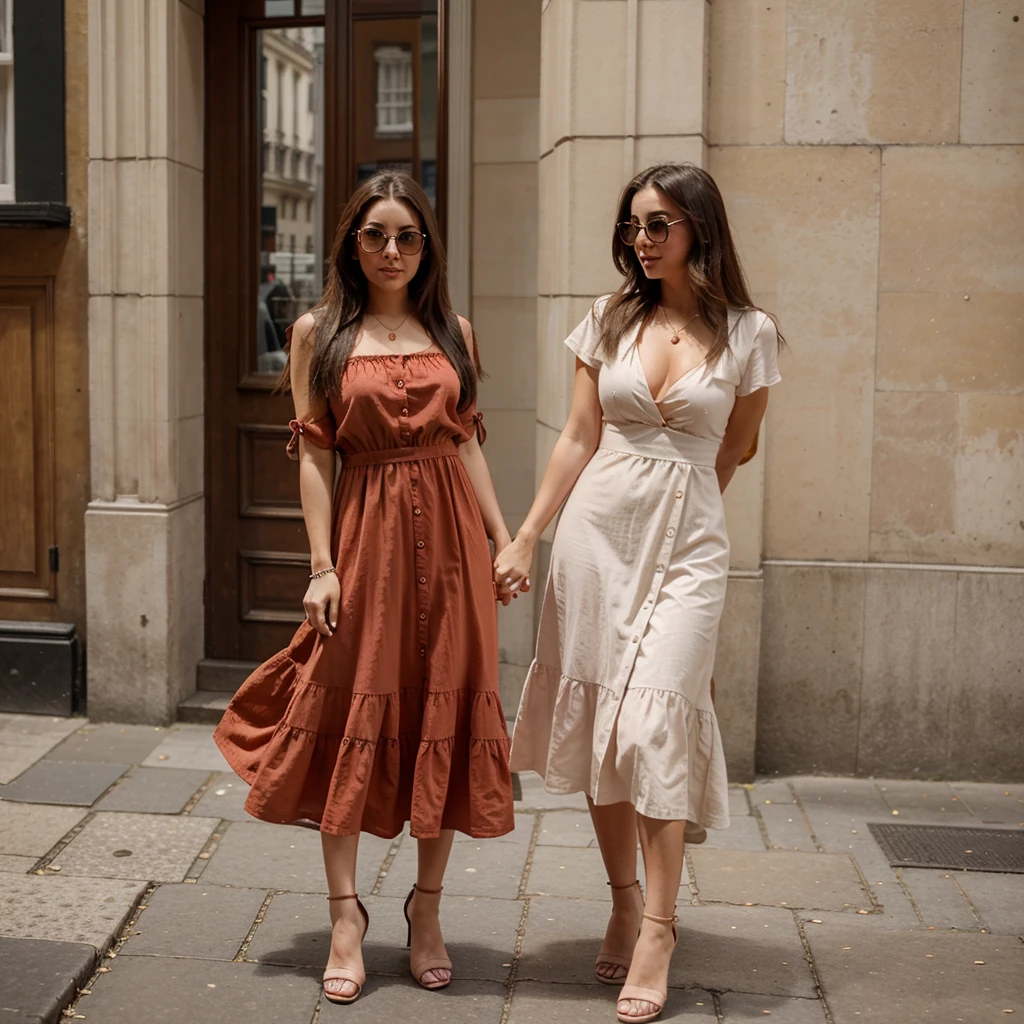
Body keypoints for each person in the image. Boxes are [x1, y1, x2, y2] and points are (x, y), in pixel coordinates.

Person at [214, 170, 516, 1005]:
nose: (392, 251)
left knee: (443, 708)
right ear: (352, 242)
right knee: (350, 705)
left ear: (427, 247)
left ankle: (426, 910)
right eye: (376, 235)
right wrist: (321, 565)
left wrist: (505, 540)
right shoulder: (319, 332)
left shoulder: (454, 330)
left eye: (407, 236)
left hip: (453, 546)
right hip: (367, 539)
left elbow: (466, 445)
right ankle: (346, 916)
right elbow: (315, 454)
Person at [496, 162, 784, 1024]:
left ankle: (658, 927)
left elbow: (738, 447)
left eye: (658, 224)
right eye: (633, 227)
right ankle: (625, 898)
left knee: (655, 716)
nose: (642, 241)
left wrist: (687, 508)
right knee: (602, 727)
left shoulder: (751, 333)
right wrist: (526, 535)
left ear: (700, 226)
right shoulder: (609, 319)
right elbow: (579, 435)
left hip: (689, 544)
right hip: (595, 538)